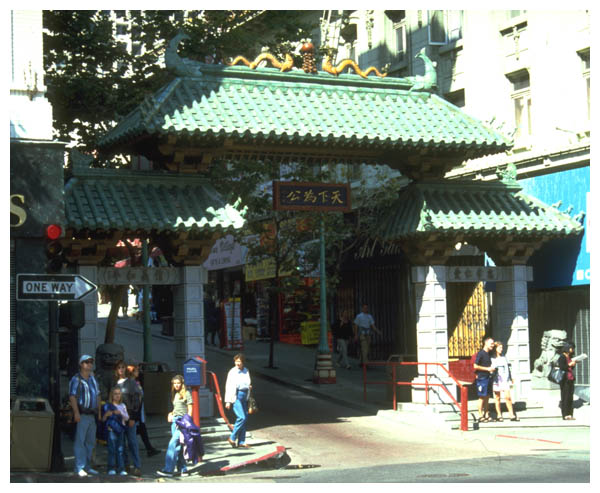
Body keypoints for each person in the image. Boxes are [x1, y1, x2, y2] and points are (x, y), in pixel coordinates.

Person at [68, 354, 101, 477]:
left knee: (90, 442)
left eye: (91, 362)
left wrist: (99, 412)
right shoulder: (76, 379)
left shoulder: (93, 379)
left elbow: (98, 395)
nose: (89, 364)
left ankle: (87, 466)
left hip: (92, 414)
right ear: (81, 364)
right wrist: (76, 413)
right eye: (86, 362)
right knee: (80, 441)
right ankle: (79, 467)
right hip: (82, 414)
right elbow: (72, 396)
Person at [156, 375, 193, 478]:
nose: (176, 385)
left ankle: (168, 470)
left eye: (178, 383)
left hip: (182, 422)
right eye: (174, 383)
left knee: (173, 444)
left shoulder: (186, 393)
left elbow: (190, 409)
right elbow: (176, 408)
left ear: (182, 383)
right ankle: (183, 469)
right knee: (179, 446)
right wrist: (170, 414)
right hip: (175, 421)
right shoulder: (174, 394)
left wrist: (187, 423)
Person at [114, 360, 142, 476]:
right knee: (120, 443)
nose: (121, 369)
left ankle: (137, 466)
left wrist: (133, 417)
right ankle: (124, 465)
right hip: (118, 419)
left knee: (132, 442)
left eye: (123, 367)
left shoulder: (131, 383)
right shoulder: (115, 384)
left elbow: (137, 400)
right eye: (119, 367)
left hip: (129, 417)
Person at [128, 364, 161, 457]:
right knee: (139, 431)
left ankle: (149, 448)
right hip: (135, 412)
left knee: (142, 430)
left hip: (139, 411)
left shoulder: (137, 382)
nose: (138, 372)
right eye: (136, 370)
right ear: (132, 372)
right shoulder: (131, 383)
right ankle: (148, 449)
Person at [224, 353, 252, 448]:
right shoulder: (232, 372)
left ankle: (241, 441)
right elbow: (228, 386)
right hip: (235, 396)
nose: (238, 363)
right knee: (241, 417)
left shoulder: (246, 371)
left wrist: (249, 387)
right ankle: (232, 437)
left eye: (239, 361)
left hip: (244, 397)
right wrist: (227, 401)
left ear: (243, 362)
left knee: (245, 419)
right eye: (236, 361)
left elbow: (248, 382)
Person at [102, 386, 129, 476]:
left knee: (120, 449)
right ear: (112, 395)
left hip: (120, 429)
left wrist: (121, 413)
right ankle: (111, 468)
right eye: (115, 394)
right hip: (111, 430)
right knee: (112, 449)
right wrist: (108, 414)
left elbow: (127, 418)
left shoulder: (122, 406)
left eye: (119, 394)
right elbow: (103, 419)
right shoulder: (108, 406)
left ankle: (121, 468)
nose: (117, 396)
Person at [491, 342, 519, 422]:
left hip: (505, 379)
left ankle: (511, 414)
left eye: (502, 347)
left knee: (508, 397)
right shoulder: (492, 358)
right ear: (495, 348)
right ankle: (499, 414)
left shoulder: (505, 357)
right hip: (496, 379)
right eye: (499, 347)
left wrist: (511, 377)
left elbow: (509, 367)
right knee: (497, 397)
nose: (501, 349)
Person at [473, 336, 495, 423]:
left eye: (493, 344)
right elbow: (475, 366)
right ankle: (480, 415)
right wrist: (487, 369)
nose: (492, 345)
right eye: (491, 343)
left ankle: (486, 414)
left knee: (487, 397)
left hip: (489, 377)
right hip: (482, 378)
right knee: (482, 396)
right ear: (485, 343)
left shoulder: (489, 354)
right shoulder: (481, 353)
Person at [353, 304, 382, 368]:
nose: (365, 309)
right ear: (362, 308)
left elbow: (373, 326)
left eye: (366, 308)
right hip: (362, 334)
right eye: (364, 308)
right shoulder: (359, 316)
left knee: (367, 349)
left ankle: (361, 361)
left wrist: (378, 331)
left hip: (368, 334)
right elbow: (356, 326)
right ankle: (365, 363)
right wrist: (355, 335)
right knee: (364, 348)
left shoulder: (369, 316)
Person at [558, 341, 578, 420]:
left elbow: (570, 368)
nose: (572, 350)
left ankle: (570, 414)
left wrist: (573, 364)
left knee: (570, 397)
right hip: (564, 380)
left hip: (570, 379)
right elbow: (562, 367)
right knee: (565, 397)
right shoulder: (562, 357)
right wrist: (569, 364)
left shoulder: (569, 357)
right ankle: (565, 415)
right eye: (571, 348)